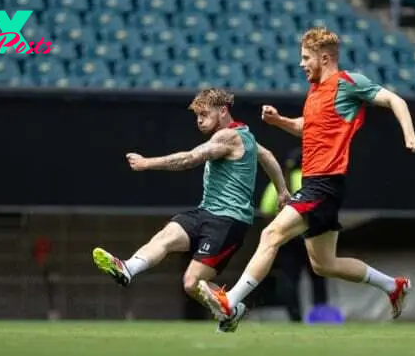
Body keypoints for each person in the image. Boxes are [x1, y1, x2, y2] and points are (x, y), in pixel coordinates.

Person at [197, 27, 415, 325]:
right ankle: (393, 286)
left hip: (324, 184)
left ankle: (231, 301)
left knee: (271, 234)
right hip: (319, 185)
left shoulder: (349, 83)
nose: (302, 64)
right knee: (324, 264)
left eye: (306, 58)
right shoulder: (316, 91)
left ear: (325, 58)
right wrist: (279, 121)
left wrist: (410, 135)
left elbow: (396, 101)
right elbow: (308, 127)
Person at [92, 88, 290, 332]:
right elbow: (267, 156)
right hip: (206, 211)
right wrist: (282, 190)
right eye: (197, 115)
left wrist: (147, 163)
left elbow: (189, 159)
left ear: (223, 111)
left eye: (205, 114)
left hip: (228, 221)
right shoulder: (246, 135)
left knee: (191, 283)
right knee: (167, 235)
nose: (199, 120)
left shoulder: (228, 137)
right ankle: (128, 268)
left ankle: (234, 309)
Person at [258, 147, 328, 322]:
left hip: (288, 239)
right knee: (318, 276)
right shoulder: (312, 181)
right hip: (311, 235)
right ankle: (320, 315)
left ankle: (294, 317)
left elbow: (266, 211)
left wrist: (278, 230)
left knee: (290, 279)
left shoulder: (279, 183)